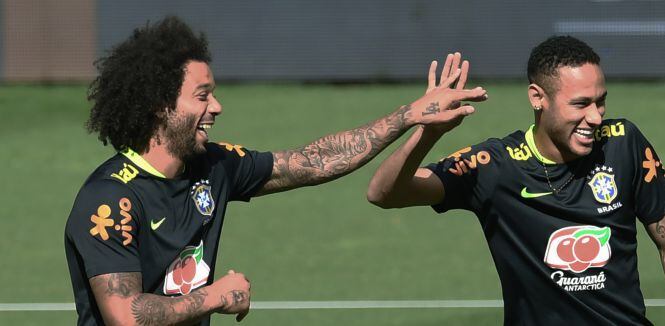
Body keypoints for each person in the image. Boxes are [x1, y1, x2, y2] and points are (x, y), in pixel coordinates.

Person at [64, 16, 486, 325]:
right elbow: (127, 316)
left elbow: (312, 162)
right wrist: (214, 296)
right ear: (160, 105)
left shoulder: (214, 166)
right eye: (202, 96)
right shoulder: (110, 199)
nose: (217, 107)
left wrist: (407, 116)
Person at [368, 36, 665, 325]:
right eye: (580, 104)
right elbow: (384, 192)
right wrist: (427, 134)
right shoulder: (494, 166)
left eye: (600, 102)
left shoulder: (623, 143)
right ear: (537, 98)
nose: (595, 117)